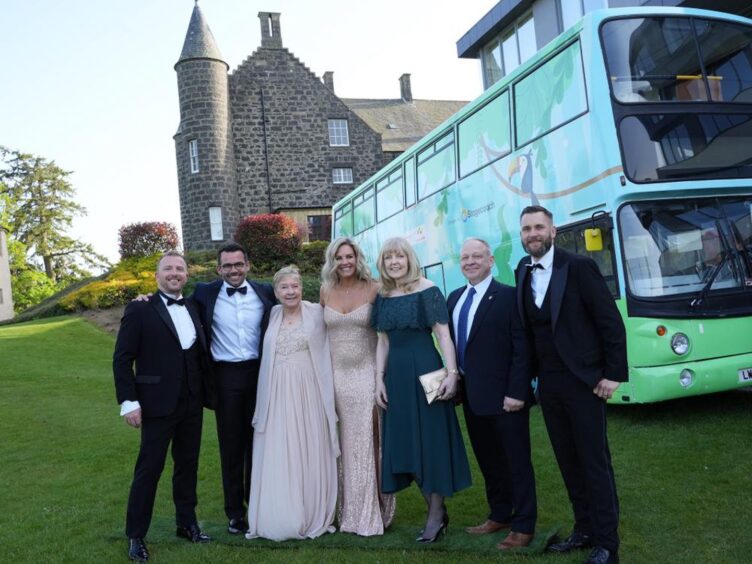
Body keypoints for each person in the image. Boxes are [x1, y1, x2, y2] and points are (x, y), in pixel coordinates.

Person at [515, 206, 627, 564]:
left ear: (553, 230)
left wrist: (612, 374)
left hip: (584, 382)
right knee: (567, 460)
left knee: (594, 462)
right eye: (526, 229)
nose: (532, 234)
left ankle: (607, 544)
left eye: (538, 227)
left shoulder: (578, 267)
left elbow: (610, 322)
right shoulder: (522, 270)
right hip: (548, 384)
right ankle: (585, 529)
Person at [113, 251, 214, 562]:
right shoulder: (140, 308)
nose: (174, 273)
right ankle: (135, 536)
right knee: (149, 470)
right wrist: (129, 402)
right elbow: (122, 359)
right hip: (156, 405)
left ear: (186, 274)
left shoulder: (194, 305)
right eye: (168, 269)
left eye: (180, 269)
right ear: (156, 276)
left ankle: (187, 524)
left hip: (191, 403)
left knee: (188, 466)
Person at [371, 237, 471, 543]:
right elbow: (383, 340)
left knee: (432, 442)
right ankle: (436, 510)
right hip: (396, 377)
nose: (394, 262)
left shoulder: (428, 290)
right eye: (389, 258)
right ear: (383, 263)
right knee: (404, 443)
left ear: (409, 259)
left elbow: (443, 334)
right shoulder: (383, 295)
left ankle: (435, 515)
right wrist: (378, 380)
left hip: (427, 370)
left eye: (399, 257)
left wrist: (452, 374)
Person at [447, 238, 537, 550]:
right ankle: (500, 513)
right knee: (489, 461)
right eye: (465, 257)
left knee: (517, 462)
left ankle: (524, 524)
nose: (470, 261)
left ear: (490, 261)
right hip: (472, 398)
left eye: (477, 256)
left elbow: (522, 350)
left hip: (506, 399)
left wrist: (517, 392)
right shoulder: (455, 298)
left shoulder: (509, 297)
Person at [246, 265, 339, 540]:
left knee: (308, 445)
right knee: (280, 445)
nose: (290, 292)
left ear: (302, 288)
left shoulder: (316, 312)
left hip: (309, 390)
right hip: (276, 392)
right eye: (284, 287)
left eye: (294, 287)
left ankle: (310, 508)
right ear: (275, 292)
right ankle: (281, 510)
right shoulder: (271, 315)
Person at [192, 242, 276, 535]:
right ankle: (235, 513)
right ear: (218, 269)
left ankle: (257, 505)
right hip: (225, 378)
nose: (233, 270)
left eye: (238, 264)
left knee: (259, 443)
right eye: (227, 265)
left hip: (259, 374)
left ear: (248, 265)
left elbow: (294, 304)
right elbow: (173, 302)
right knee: (231, 447)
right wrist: (143, 299)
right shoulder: (204, 293)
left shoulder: (266, 292)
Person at [320, 237, 396, 536]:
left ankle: (372, 511)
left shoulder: (375, 288)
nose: (345, 262)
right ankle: (347, 511)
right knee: (344, 445)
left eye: (349, 256)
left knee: (367, 442)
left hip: (367, 374)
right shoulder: (325, 291)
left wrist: (382, 375)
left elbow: (386, 334)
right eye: (339, 258)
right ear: (333, 261)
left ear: (357, 258)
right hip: (336, 377)